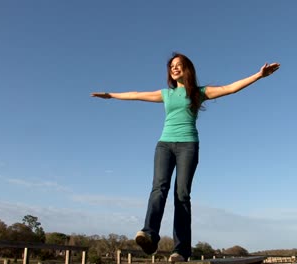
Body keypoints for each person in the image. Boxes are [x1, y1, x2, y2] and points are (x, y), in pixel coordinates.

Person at [91, 53, 280, 262]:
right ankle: (149, 235)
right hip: (164, 145)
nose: (174, 68)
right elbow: (136, 94)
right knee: (159, 187)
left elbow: (230, 88)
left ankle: (180, 250)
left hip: (188, 146)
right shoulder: (166, 94)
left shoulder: (199, 93)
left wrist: (259, 75)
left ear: (187, 69)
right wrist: (110, 95)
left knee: (182, 195)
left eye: (179, 65)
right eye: (172, 66)